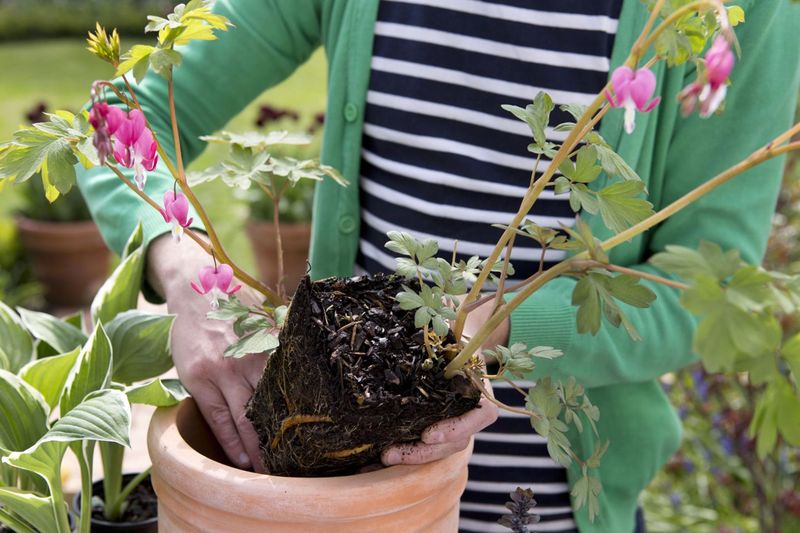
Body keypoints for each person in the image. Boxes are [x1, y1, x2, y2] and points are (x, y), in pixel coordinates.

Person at [76, 1, 800, 531]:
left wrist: (499, 323)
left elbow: (713, 294)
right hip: (335, 508)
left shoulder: (733, 15)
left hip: (551, 514)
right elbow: (113, 116)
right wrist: (183, 272)